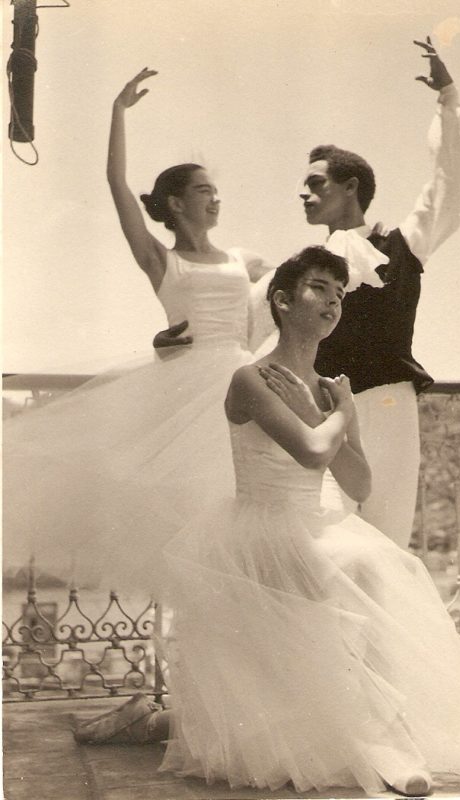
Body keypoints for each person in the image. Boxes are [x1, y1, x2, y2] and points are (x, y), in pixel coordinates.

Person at [75, 247, 460, 796]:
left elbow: (359, 484)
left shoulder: (328, 386)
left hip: (321, 521)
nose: (333, 302)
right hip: (265, 525)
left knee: (376, 564)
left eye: (340, 294)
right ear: (281, 300)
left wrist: (333, 410)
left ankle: (383, 733)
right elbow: (311, 451)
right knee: (358, 567)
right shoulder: (251, 379)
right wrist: (340, 413)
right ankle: (382, 744)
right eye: (319, 288)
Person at [2, 69, 272, 584]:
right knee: (198, 512)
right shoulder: (161, 260)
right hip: (190, 391)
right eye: (203, 191)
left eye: (216, 191)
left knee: (248, 502)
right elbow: (117, 185)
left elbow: (296, 287)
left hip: (244, 381)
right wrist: (118, 111)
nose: (215, 199)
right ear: (176, 203)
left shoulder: (244, 260)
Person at [291, 37, 460, 548]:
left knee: (386, 542)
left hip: (390, 408)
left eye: (316, 183)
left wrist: (449, 99)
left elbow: (450, 185)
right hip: (322, 411)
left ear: (351, 186)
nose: (304, 193)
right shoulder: (302, 268)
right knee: (323, 544)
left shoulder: (403, 243)